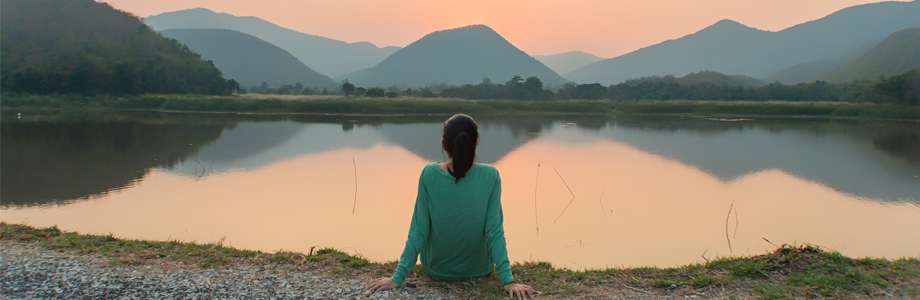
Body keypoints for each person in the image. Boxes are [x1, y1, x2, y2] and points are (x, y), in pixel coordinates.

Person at [364, 114, 534, 300]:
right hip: (479, 270)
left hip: (436, 269)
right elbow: (494, 231)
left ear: (444, 145)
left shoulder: (429, 174)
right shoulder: (491, 176)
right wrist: (508, 281)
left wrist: (397, 277)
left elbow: (419, 229)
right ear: (476, 143)